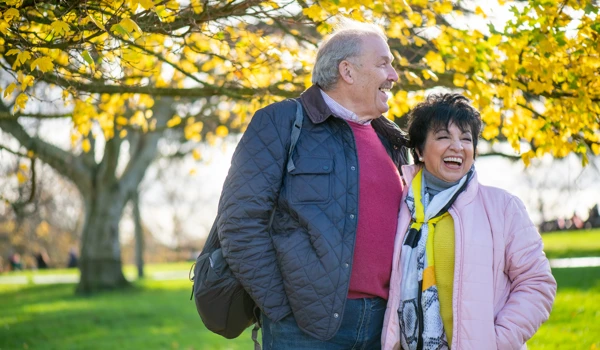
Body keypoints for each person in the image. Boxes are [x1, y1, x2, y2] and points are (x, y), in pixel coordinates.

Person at [217, 19, 408, 348]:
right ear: (347, 71)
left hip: (382, 324)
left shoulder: (392, 138)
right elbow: (239, 222)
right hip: (304, 329)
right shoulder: (281, 122)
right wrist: (281, 308)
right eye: (383, 64)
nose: (393, 75)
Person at [381, 94, 557, 349]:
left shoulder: (503, 207)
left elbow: (537, 283)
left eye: (466, 138)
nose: (457, 147)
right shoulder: (400, 207)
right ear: (419, 150)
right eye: (443, 137)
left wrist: (497, 341)